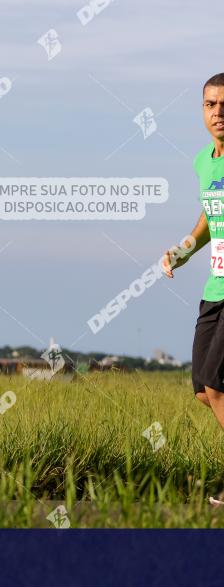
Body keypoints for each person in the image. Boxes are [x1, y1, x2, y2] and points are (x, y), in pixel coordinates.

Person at [164, 73, 224, 431]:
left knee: (217, 386)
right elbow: (210, 213)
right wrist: (183, 250)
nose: (218, 112)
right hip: (215, 288)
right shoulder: (204, 162)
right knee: (204, 390)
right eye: (210, 104)